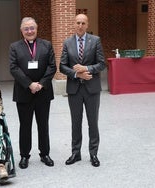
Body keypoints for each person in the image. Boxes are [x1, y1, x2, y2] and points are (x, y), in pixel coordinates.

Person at [9, 17, 57, 169]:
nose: (29, 31)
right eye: (26, 29)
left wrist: (41, 84)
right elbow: (13, 68)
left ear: (36, 29)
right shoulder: (14, 47)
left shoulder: (46, 45)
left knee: (43, 125)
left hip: (43, 92)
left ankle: (45, 154)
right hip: (24, 92)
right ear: (21, 30)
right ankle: (24, 156)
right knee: (25, 125)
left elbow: (52, 66)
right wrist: (29, 84)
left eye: (32, 28)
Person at [60, 14, 106, 167]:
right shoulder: (67, 42)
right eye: (78, 23)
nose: (80, 25)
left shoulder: (96, 41)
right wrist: (77, 74)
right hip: (74, 89)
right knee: (76, 122)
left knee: (93, 122)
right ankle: (76, 153)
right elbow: (62, 66)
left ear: (87, 25)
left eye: (83, 23)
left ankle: (93, 153)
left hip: (92, 89)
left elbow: (101, 64)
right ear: (74, 24)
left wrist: (86, 69)